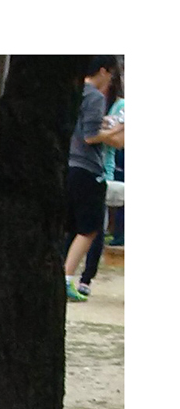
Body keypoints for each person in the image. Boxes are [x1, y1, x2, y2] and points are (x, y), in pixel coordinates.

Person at [63, 58, 121, 303]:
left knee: (70, 227)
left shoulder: (72, 92)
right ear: (103, 71)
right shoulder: (95, 96)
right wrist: (115, 131)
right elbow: (91, 136)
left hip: (68, 165)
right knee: (89, 228)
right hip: (88, 169)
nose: (110, 81)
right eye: (111, 75)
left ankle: (62, 274)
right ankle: (66, 278)